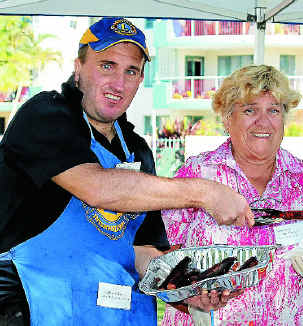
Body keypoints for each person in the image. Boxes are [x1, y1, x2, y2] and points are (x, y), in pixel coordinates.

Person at [0, 17, 254, 326]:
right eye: (107, 65)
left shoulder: (138, 149)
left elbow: (144, 253)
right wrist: (205, 192)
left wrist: (186, 289)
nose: (118, 83)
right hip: (38, 308)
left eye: (131, 71)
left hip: (116, 315)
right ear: (78, 68)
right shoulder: (46, 115)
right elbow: (98, 189)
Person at [160, 64, 303, 326]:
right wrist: (188, 297)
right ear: (227, 118)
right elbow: (161, 260)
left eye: (273, 110)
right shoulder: (196, 174)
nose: (263, 122)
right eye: (250, 110)